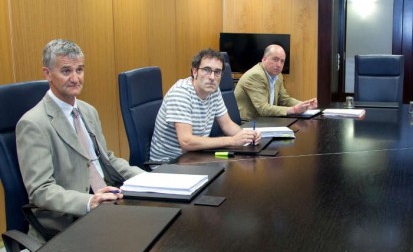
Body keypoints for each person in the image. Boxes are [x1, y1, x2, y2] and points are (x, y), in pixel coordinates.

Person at [16, 39, 145, 237]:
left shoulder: (88, 111)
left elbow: (107, 159)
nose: (76, 78)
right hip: (69, 218)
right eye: (66, 71)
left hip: (108, 200)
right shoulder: (33, 124)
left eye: (80, 70)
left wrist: (147, 178)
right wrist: (88, 202)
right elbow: (41, 191)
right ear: (47, 73)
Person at [150, 48, 261, 162]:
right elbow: (186, 142)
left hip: (194, 157)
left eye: (217, 72)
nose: (212, 77)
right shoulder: (181, 93)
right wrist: (232, 141)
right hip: (169, 164)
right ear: (194, 72)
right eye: (206, 70)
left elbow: (227, 125)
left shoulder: (214, 90)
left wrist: (248, 136)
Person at [234, 44, 318, 121]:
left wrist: (304, 105)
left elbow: (284, 99)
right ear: (264, 59)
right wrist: (294, 109)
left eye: (282, 61)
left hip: (266, 121)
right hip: (249, 124)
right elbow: (263, 109)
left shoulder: (278, 75)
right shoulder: (255, 76)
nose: (279, 65)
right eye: (275, 59)